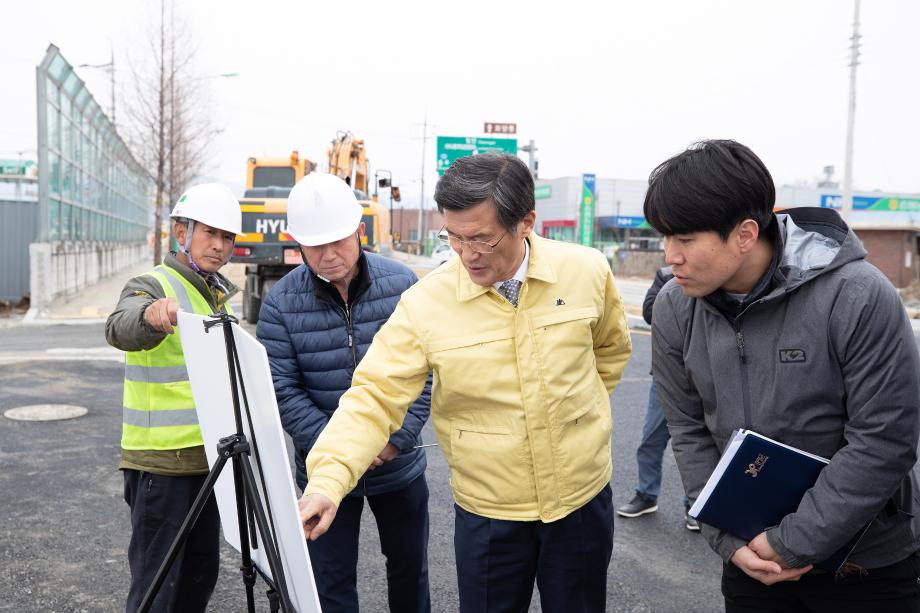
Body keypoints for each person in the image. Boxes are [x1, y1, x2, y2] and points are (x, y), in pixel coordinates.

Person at [298, 153, 633, 613]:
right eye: (453, 237)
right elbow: (374, 397)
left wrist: (577, 418)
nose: (466, 254)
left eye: (481, 238)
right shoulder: (426, 303)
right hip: (488, 512)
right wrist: (327, 481)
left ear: (526, 223)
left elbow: (609, 353)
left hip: (580, 499)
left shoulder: (586, 271)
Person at [644, 139, 920, 611]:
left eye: (685, 240)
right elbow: (688, 430)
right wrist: (728, 539)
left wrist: (792, 542)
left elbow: (884, 440)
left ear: (746, 234)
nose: (671, 256)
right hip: (750, 561)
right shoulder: (674, 307)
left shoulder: (857, 295)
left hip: (866, 565)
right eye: (664, 239)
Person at [256, 173, 432, 613]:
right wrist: (342, 449)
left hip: (398, 463)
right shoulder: (280, 302)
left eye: (338, 241)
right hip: (322, 471)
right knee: (329, 581)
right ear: (297, 242)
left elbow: (426, 373)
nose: (329, 255)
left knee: (410, 570)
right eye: (315, 246)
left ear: (359, 231)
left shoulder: (402, 284)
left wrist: (395, 439)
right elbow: (282, 389)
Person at [105, 183, 242, 612]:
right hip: (159, 467)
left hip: (207, 463)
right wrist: (150, 315)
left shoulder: (215, 294)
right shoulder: (152, 284)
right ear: (181, 232)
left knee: (198, 579)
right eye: (209, 234)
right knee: (156, 588)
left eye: (227, 237)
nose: (219, 246)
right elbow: (119, 326)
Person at [616, 266, 699, 532]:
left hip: (705, 377)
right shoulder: (666, 275)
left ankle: (695, 506)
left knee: (700, 445)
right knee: (651, 438)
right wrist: (679, 284)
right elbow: (650, 313)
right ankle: (646, 495)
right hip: (666, 376)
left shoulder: (715, 279)